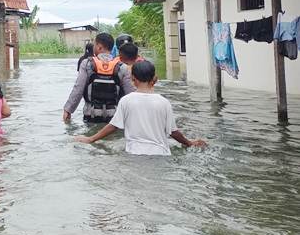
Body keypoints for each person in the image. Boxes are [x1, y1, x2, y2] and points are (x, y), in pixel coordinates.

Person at [75, 60, 207, 155]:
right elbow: (173, 132)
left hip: (134, 153)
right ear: (154, 79)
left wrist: (90, 139)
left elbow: (113, 126)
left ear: (133, 79)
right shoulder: (164, 102)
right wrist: (189, 143)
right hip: (160, 154)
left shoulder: (126, 101)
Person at [63, 32, 135, 123]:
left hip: (91, 116)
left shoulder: (87, 64)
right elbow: (130, 94)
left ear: (99, 47)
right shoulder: (122, 67)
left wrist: (68, 110)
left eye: (94, 44)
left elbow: (78, 89)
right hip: (114, 119)